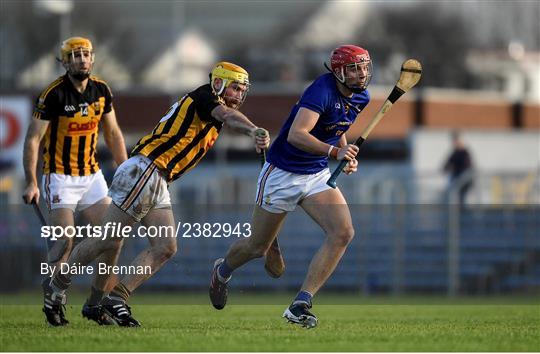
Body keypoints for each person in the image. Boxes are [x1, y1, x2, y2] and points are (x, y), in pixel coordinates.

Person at [47, 61, 270, 327]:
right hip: (147, 169)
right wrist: (252, 129)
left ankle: (115, 298)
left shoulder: (210, 105)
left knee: (165, 247)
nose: (238, 95)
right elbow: (228, 116)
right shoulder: (206, 97)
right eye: (234, 88)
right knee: (106, 240)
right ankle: (57, 287)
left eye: (242, 91)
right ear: (219, 83)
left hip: (158, 178)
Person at [209, 45, 372, 329]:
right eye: (354, 68)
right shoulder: (320, 91)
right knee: (257, 248)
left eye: (364, 67)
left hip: (316, 174)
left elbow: (338, 126)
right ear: (338, 72)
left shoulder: (362, 96)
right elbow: (298, 135)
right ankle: (222, 272)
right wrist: (335, 154)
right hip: (282, 175)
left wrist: (344, 155)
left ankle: (301, 303)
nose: (361, 74)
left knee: (343, 232)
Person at [22, 36, 128, 326]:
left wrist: (127, 170)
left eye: (86, 54)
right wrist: (31, 180)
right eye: (75, 55)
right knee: (63, 242)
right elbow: (33, 139)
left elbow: (114, 134)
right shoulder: (53, 94)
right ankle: (54, 301)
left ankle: (97, 303)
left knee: (114, 237)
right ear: (65, 62)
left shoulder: (102, 89)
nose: (82, 59)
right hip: (59, 176)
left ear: (93, 58)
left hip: (92, 176)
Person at [443, 131, 473, 205]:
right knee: (458, 199)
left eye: (456, 140)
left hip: (464, 180)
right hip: (458, 179)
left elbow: (467, 166)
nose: (454, 142)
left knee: (462, 198)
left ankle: (462, 213)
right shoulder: (455, 152)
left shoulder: (464, 152)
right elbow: (446, 164)